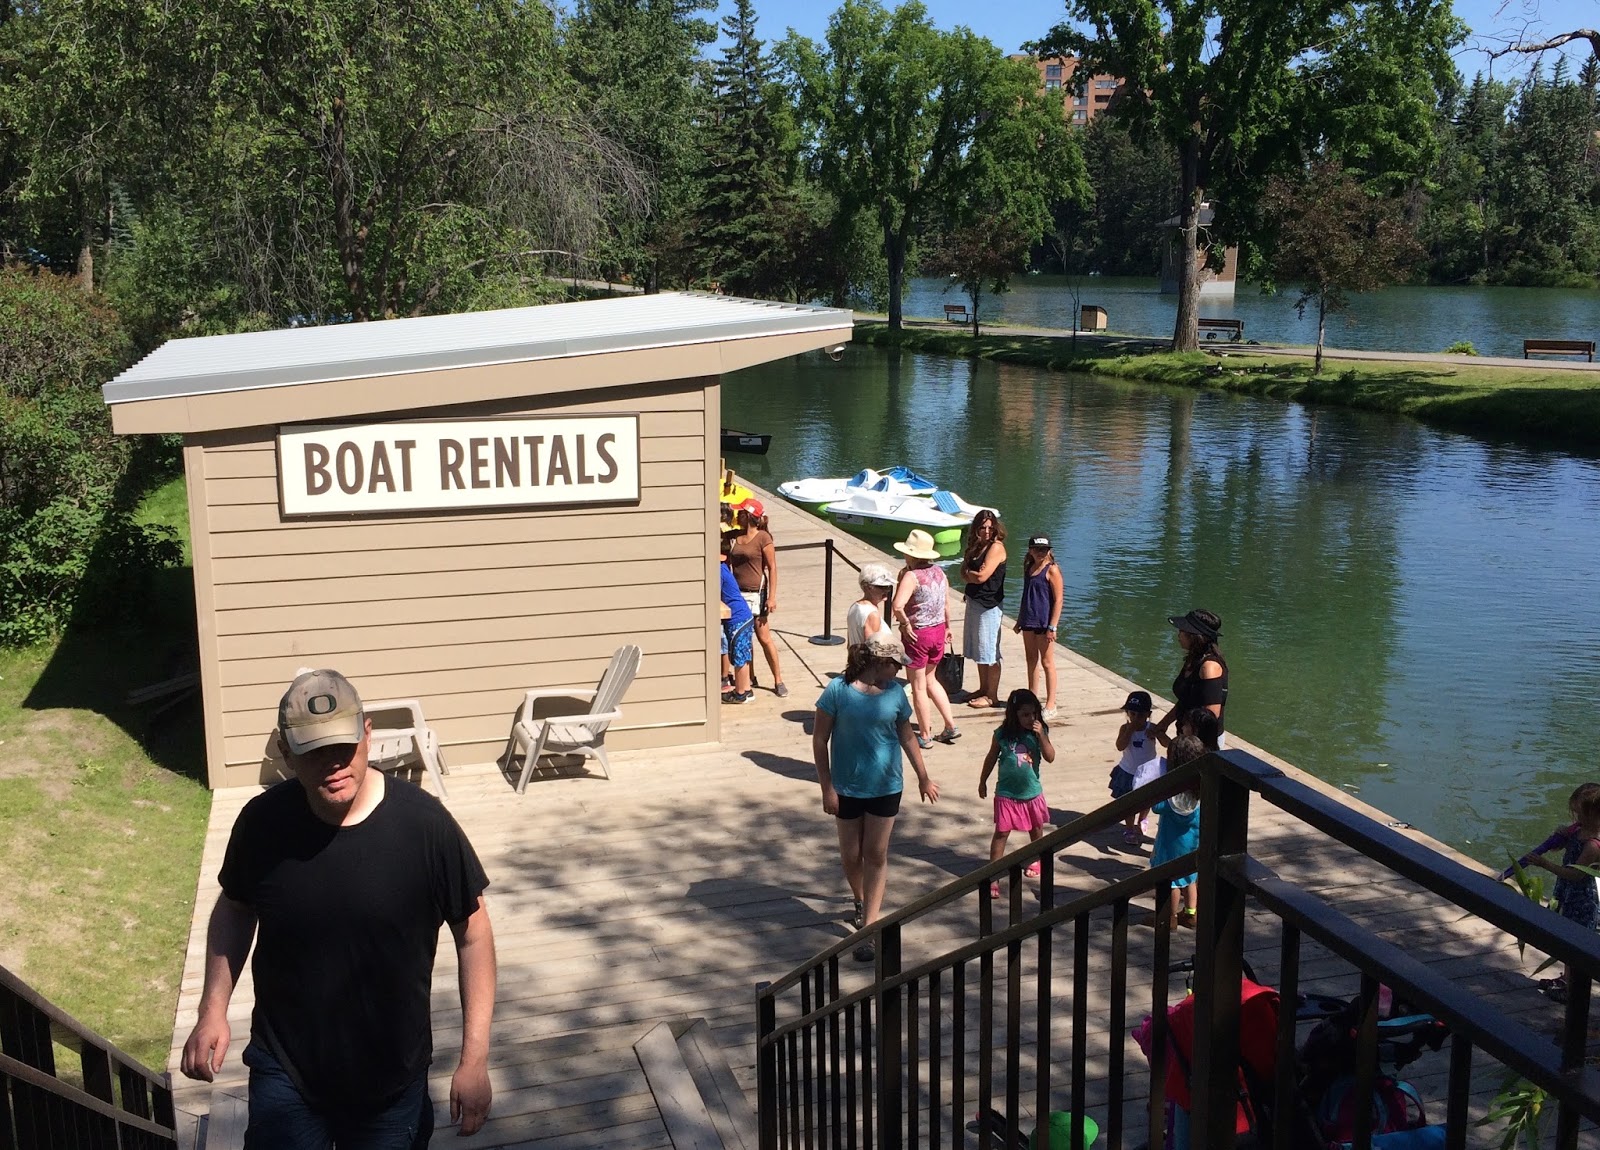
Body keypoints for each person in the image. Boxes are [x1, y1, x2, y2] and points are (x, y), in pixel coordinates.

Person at [180, 669, 496, 1148]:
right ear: (286, 753)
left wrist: (474, 1059)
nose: (333, 764)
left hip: (392, 1081)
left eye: (343, 747)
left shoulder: (425, 828)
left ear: (367, 734)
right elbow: (236, 907)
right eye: (314, 751)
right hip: (286, 1068)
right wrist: (212, 1010)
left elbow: (474, 934)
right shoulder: (262, 825)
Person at [812, 634, 940, 963]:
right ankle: (860, 897)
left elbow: (907, 735)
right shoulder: (837, 692)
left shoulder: (896, 694)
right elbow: (819, 740)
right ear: (878, 663)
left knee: (876, 854)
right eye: (895, 665)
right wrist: (827, 786)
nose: (900, 671)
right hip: (847, 787)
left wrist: (923, 776)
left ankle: (869, 928)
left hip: (887, 785)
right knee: (851, 856)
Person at [1519, 782, 1600, 1003]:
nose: (1575, 818)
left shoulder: (1593, 845)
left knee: (1576, 939)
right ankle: (1566, 978)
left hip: (1582, 896)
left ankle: (1573, 988)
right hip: (1566, 892)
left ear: (1593, 814)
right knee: (1565, 935)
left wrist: (1544, 865)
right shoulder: (1578, 831)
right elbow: (1558, 848)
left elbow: (1576, 874)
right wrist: (1559, 837)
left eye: (1579, 814)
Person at [977, 688, 1056, 896]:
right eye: (1025, 715)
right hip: (1006, 792)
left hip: (1031, 791)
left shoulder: (1038, 733)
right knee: (1001, 832)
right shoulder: (1002, 735)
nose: (1031, 719)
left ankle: (1036, 857)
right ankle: (993, 873)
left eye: (1034, 714)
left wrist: (1042, 737)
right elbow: (991, 757)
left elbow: (1050, 757)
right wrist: (982, 780)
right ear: (1014, 715)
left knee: (1036, 829)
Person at [891, 528, 960, 749]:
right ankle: (950, 725)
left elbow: (897, 605)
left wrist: (904, 623)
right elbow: (946, 604)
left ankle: (925, 734)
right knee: (931, 680)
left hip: (918, 635)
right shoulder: (940, 572)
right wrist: (948, 626)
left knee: (918, 685)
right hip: (938, 631)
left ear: (911, 554)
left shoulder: (912, 576)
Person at [728, 499, 788, 697]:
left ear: (749, 516)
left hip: (757, 593)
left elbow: (772, 568)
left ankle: (778, 679)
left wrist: (771, 597)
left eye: (741, 513)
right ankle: (749, 677)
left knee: (763, 637)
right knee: (743, 636)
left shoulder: (763, 538)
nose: (738, 516)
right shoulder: (734, 536)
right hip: (737, 593)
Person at [1147, 734, 1205, 930]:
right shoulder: (1202, 791)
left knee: (1172, 883)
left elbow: (1156, 807)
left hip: (1169, 847)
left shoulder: (1172, 793)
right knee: (1191, 879)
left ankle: (1169, 917)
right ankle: (1190, 914)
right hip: (1192, 846)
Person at [1156, 609, 1228, 743]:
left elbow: (1210, 717)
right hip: (1186, 735)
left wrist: (1186, 745)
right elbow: (1186, 700)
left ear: (1194, 636)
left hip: (1202, 742)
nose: (1178, 635)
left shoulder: (1209, 667)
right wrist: (1163, 724)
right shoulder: (1193, 660)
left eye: (1182, 632)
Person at [960, 510, 1008, 708]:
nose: (987, 531)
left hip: (989, 605)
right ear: (977, 528)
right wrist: (971, 573)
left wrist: (971, 573)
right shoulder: (977, 546)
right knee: (979, 648)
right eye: (983, 527)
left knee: (990, 650)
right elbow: (963, 572)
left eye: (990, 527)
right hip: (974, 601)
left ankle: (992, 695)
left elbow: (982, 577)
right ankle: (983, 688)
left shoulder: (996, 548)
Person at [1012, 536, 1063, 719]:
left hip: (1044, 622)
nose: (1040, 553)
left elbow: (1058, 600)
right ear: (1030, 550)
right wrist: (1019, 619)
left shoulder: (1052, 570)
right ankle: (1032, 698)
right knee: (1031, 659)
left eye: (1043, 550)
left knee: (1047, 662)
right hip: (1029, 620)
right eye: (1036, 549)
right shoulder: (1029, 568)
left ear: (1049, 551)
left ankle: (1051, 703)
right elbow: (1026, 594)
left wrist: (1053, 626)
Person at [1111, 690, 1167, 845]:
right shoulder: (1125, 728)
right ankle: (1129, 827)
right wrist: (1129, 730)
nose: (1135, 719)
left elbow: (1167, 744)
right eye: (1132, 714)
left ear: (1148, 715)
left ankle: (1142, 818)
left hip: (1148, 772)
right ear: (1127, 713)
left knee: (1146, 800)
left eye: (1140, 716)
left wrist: (1158, 734)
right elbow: (1120, 746)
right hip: (1129, 771)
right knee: (1128, 803)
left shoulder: (1152, 728)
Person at [720, 536, 755, 703]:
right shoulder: (724, 568)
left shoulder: (718, 570)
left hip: (737, 619)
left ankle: (739, 693)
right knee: (744, 654)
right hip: (745, 616)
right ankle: (747, 689)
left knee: (739, 658)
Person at [848, 562, 897, 649]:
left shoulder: (854, 607)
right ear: (868, 587)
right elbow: (872, 649)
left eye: (888, 587)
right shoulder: (872, 614)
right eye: (882, 587)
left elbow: (850, 644)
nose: (887, 591)